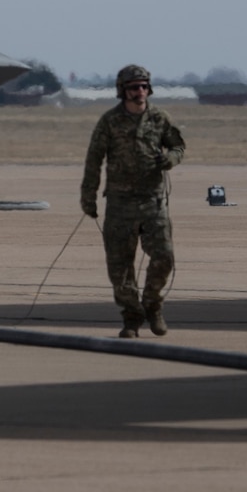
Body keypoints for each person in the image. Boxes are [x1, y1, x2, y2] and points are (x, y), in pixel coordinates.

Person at [80, 64, 186, 338]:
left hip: (152, 202)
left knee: (164, 257)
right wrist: (88, 197)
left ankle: (153, 304)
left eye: (143, 86)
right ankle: (131, 317)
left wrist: (171, 159)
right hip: (120, 204)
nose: (139, 92)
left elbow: (177, 145)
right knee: (120, 267)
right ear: (122, 91)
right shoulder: (109, 121)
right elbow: (94, 159)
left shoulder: (160, 119)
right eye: (133, 87)